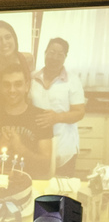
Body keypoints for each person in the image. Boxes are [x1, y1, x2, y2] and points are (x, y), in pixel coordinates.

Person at [29, 38, 85, 177]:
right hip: (37, 147)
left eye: (60, 54)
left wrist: (56, 117)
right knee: (38, 187)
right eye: (51, 52)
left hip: (64, 146)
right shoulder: (31, 78)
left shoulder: (73, 80)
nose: (54, 57)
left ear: (65, 57)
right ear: (45, 53)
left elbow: (79, 112)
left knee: (62, 190)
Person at [0, 62, 52, 178]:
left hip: (31, 183)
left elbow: (45, 165)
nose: (12, 90)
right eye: (6, 85)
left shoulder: (41, 117)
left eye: (18, 84)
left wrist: (21, 149)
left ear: (27, 86)